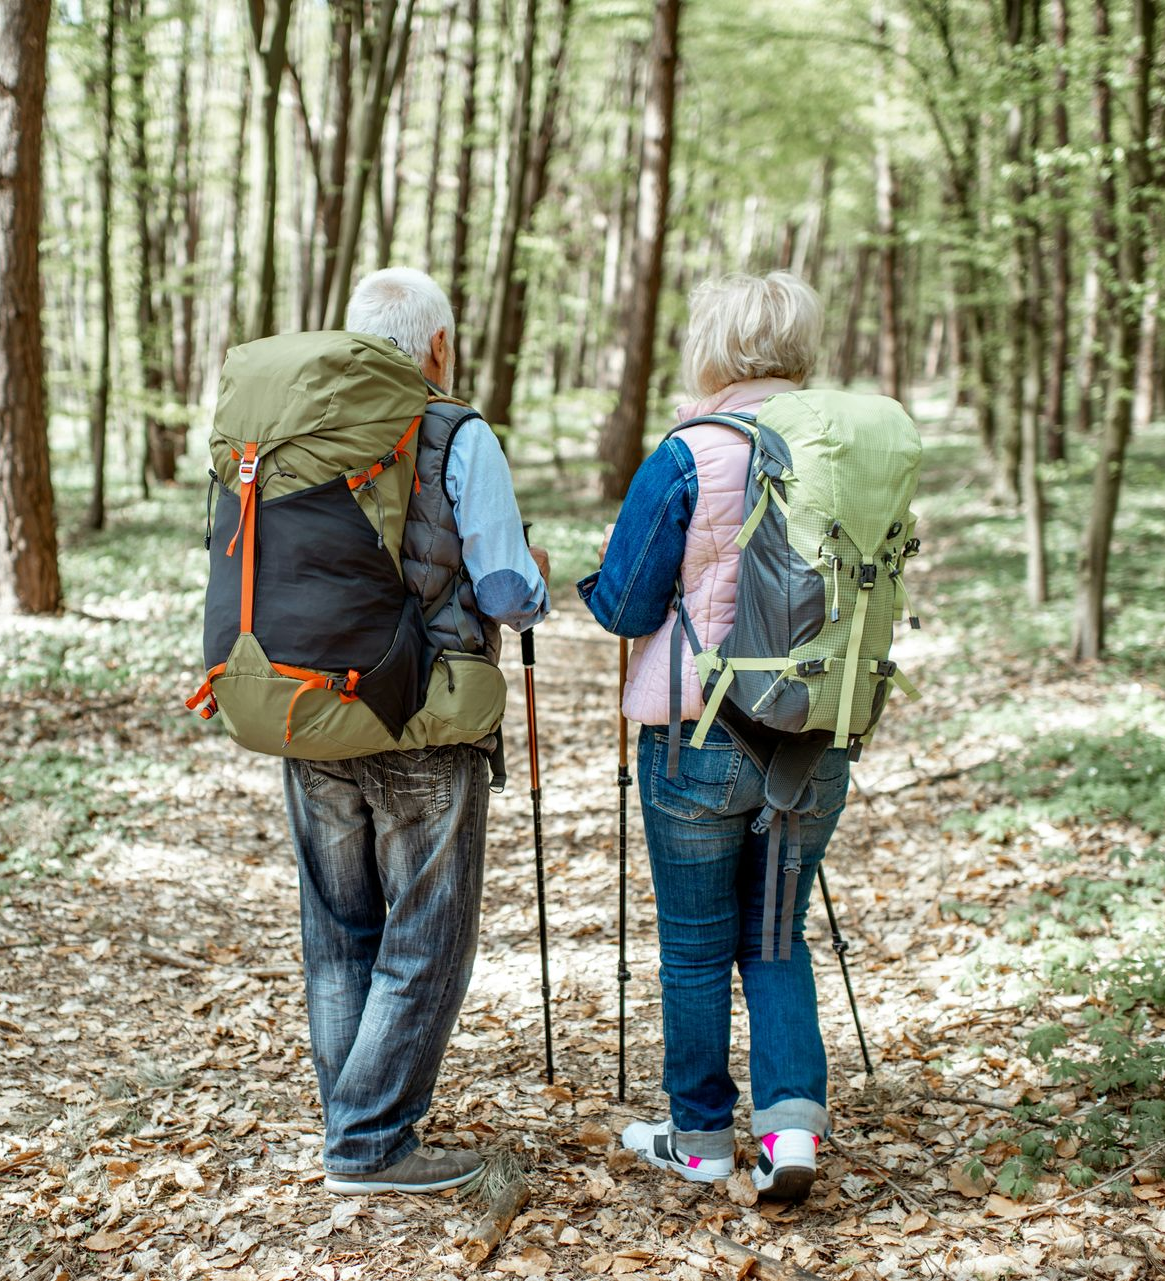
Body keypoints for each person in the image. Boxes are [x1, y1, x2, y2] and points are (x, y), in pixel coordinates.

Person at [578, 271, 848, 1202]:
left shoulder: (692, 450)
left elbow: (625, 603)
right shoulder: (843, 450)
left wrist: (584, 585)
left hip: (698, 733)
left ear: (714, 346)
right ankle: (790, 1131)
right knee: (775, 937)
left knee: (695, 945)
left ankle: (698, 1140)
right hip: (814, 734)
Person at [283, 267, 550, 1196]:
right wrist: (539, 581)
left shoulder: (295, 429)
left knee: (338, 927)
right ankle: (370, 1144)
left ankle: (352, 1126)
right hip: (425, 717)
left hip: (307, 707)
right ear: (437, 345)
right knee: (426, 934)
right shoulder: (456, 431)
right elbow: (508, 590)